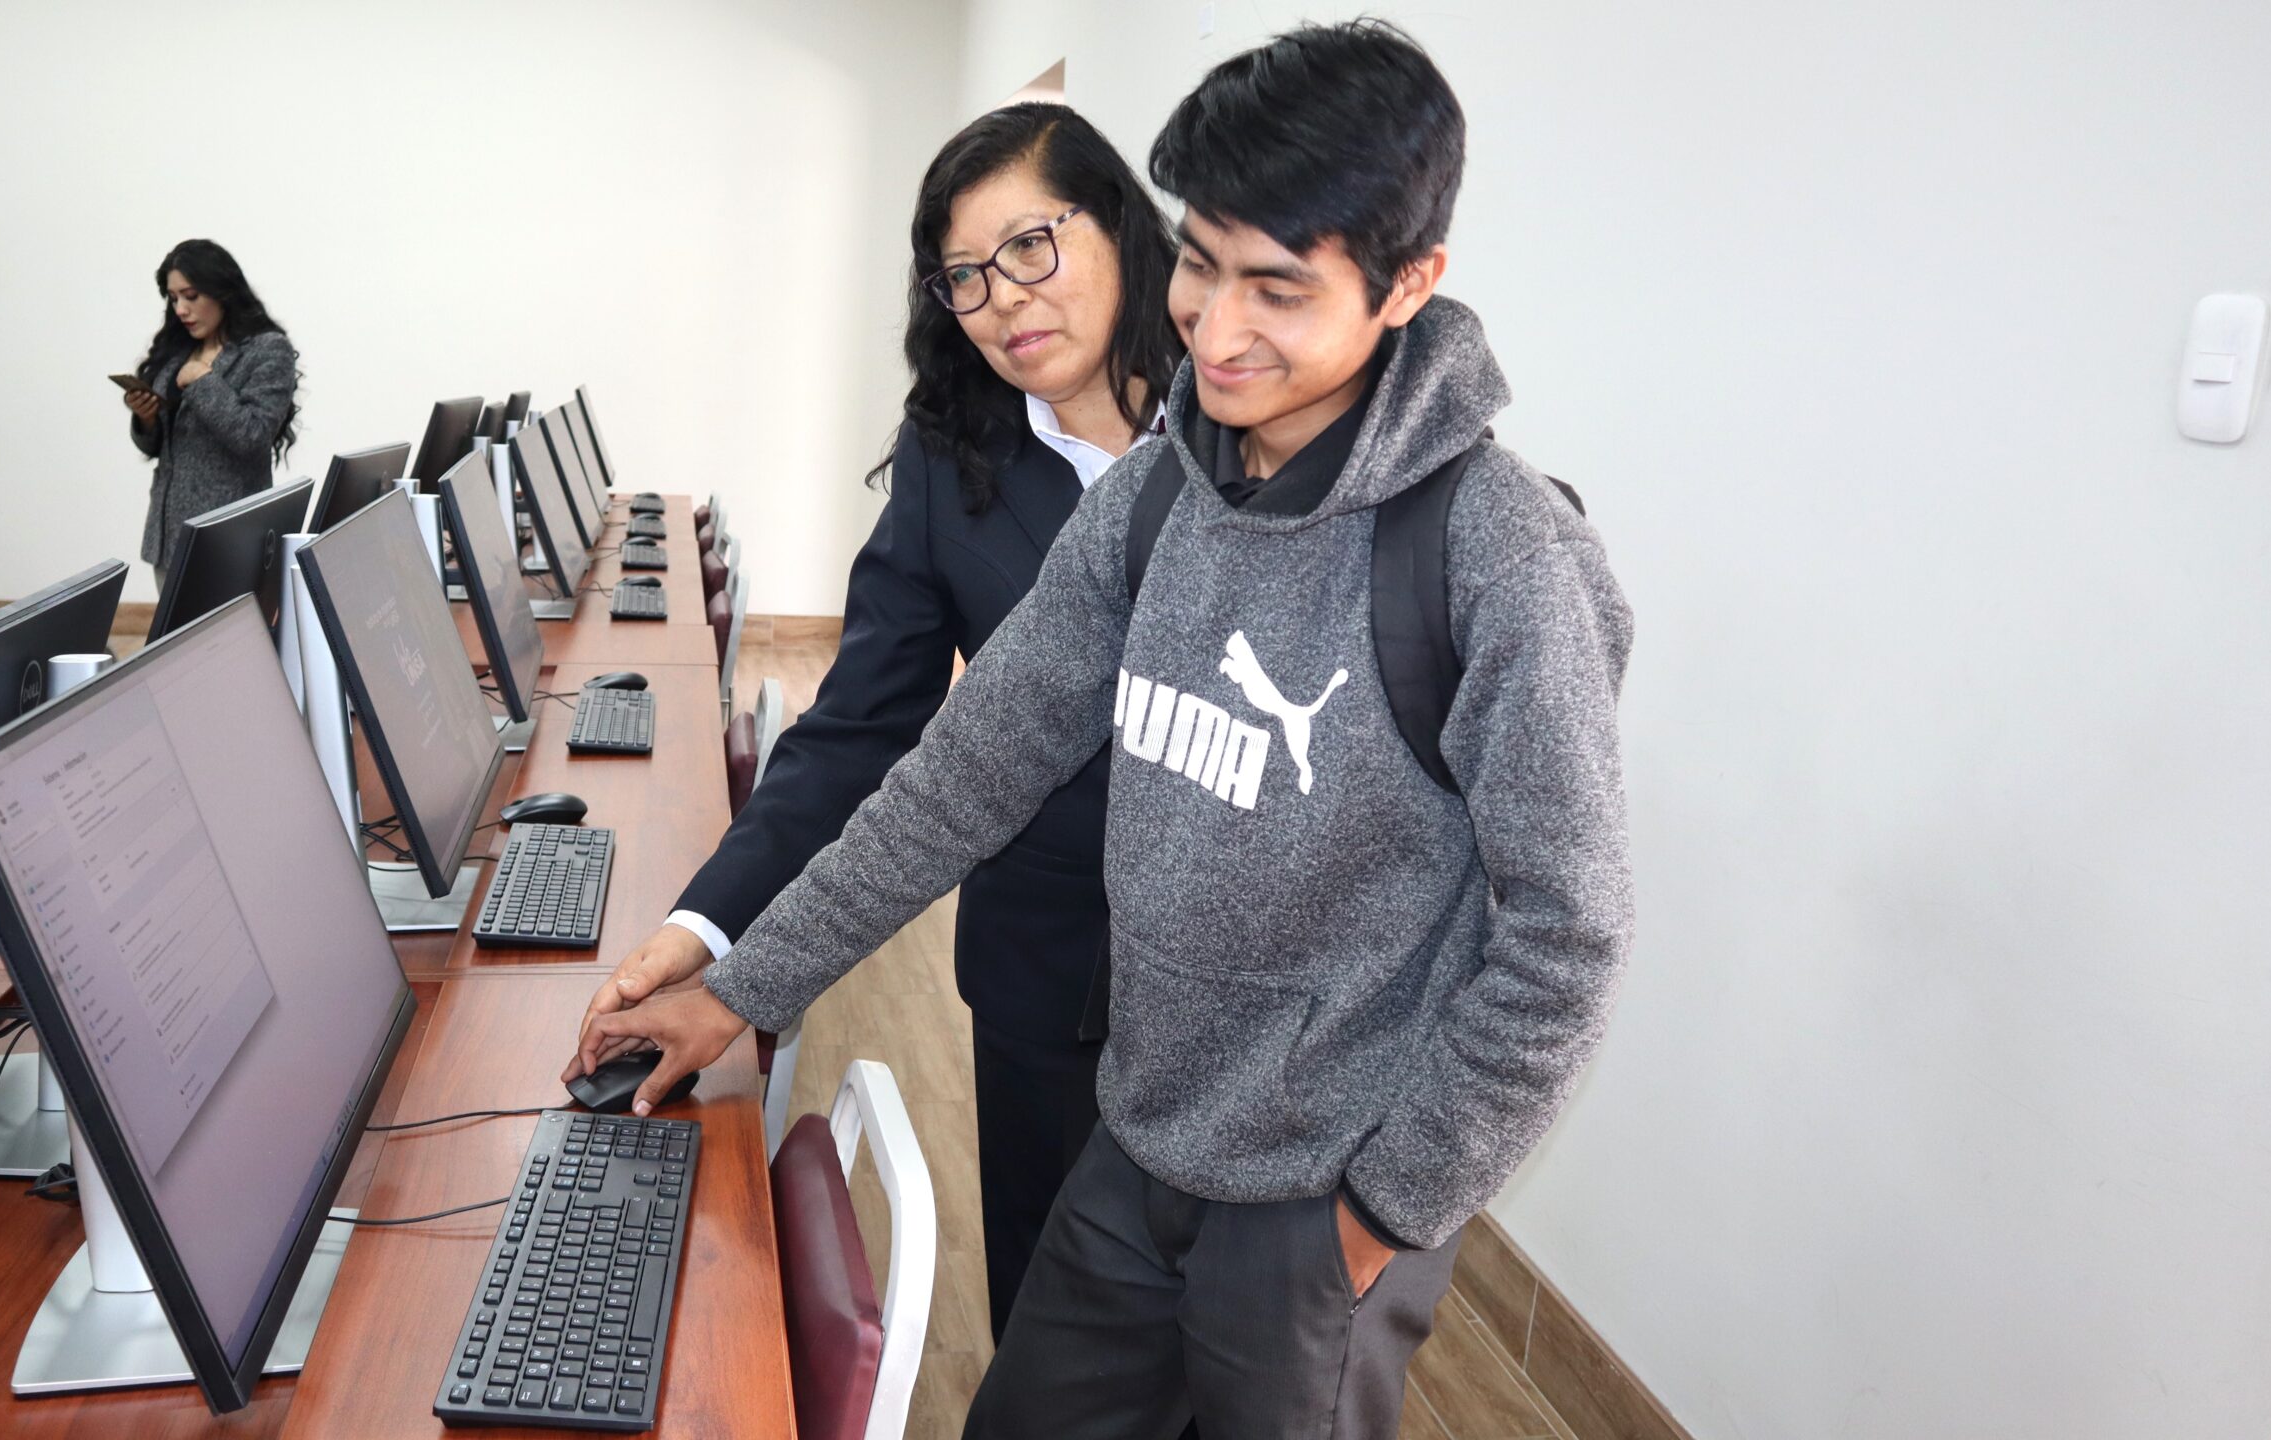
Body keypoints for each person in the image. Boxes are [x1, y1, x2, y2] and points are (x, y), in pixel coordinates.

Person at [580, 20, 1637, 1437]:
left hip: (1316, 1200)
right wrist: (743, 985)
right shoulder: (1156, 500)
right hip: (1134, 1150)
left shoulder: (1496, 553)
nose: (1218, 328)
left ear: (1408, 285)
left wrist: (1387, 1208)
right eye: (1203, 265)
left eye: (1279, 288)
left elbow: (1567, 931)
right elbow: (961, 776)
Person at [564, 103, 1182, 1340]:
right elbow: (861, 728)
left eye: (1030, 246)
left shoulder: (1246, 426)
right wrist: (705, 927)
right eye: (964, 276)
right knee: (1050, 1343)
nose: (1003, 299)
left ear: (1117, 224)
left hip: (1249, 1003)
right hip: (1048, 977)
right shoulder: (954, 454)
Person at [125, 238, 299, 573]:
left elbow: (253, 437)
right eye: (173, 298)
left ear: (222, 292)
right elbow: (161, 445)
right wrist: (146, 420)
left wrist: (203, 380)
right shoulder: (178, 350)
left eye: (191, 296)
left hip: (230, 541)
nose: (180, 309)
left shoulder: (267, 349)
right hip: (169, 539)